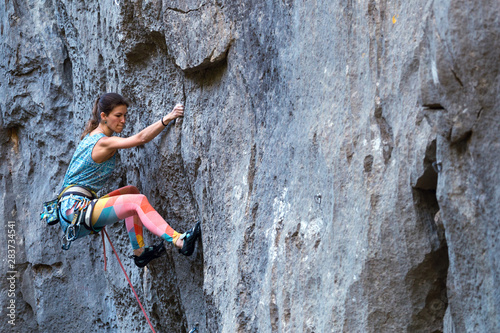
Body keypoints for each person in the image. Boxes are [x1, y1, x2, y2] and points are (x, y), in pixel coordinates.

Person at [58, 92, 200, 267]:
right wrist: (169, 117)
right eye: (118, 116)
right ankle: (179, 240)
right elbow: (141, 139)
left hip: (73, 208)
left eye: (125, 115)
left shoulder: (93, 136)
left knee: (132, 192)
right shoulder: (102, 142)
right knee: (138, 201)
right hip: (75, 209)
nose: (123, 120)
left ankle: (139, 252)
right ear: (104, 116)